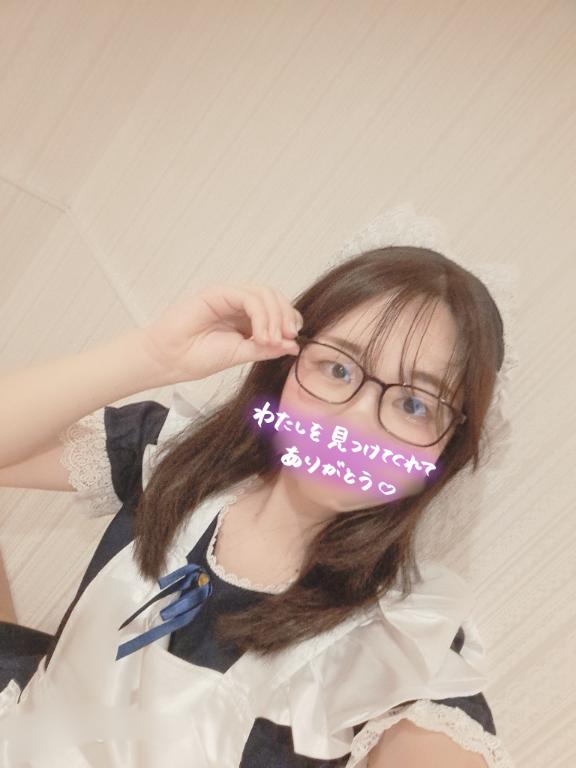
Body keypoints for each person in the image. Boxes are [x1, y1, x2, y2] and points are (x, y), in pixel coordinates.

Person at [0, 239, 517, 766]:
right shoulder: (173, 458)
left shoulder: (403, 637)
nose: (356, 421)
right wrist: (153, 356)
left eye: (413, 404)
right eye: (339, 369)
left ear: (448, 447)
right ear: (289, 361)